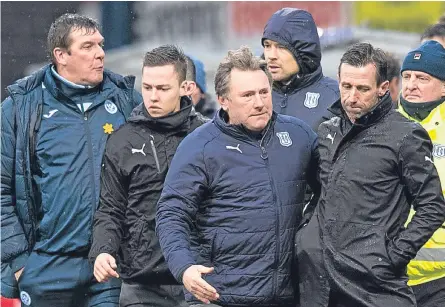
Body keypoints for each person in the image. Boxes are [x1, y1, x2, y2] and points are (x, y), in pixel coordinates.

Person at [156, 46, 320, 307]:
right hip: (217, 296)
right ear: (223, 100)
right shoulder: (199, 146)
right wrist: (184, 268)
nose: (259, 102)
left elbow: (334, 189)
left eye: (264, 92)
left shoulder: (299, 136)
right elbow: (171, 214)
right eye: (247, 95)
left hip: (284, 297)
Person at [1, 13, 142, 306]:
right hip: (46, 267)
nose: (100, 53)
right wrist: (19, 263)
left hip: (111, 265)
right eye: (88, 46)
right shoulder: (20, 107)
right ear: (61, 55)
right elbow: (2, 190)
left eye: (101, 44)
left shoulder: (126, 99)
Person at [296, 42, 445, 307]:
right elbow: (314, 193)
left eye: (363, 89)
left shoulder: (405, 134)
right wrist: (306, 240)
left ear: (383, 88)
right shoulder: (326, 131)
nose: (352, 97)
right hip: (320, 282)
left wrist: (392, 256)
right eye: (346, 87)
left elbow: (432, 207)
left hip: (382, 283)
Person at [88, 45, 207, 307]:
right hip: (141, 284)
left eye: (163, 89)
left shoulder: (207, 136)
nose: (153, 96)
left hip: (199, 278)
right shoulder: (122, 141)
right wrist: (103, 251)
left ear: (184, 87)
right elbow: (110, 209)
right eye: (147, 87)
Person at [398, 40, 445, 307]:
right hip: (389, 276)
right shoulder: (382, 125)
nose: (411, 84)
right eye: (407, 76)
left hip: (439, 280)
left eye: (422, 78)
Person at [262, 8, 339, 132]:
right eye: (267, 45)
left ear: (304, 50)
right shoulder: (253, 93)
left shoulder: (336, 97)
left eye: (281, 47)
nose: (271, 55)